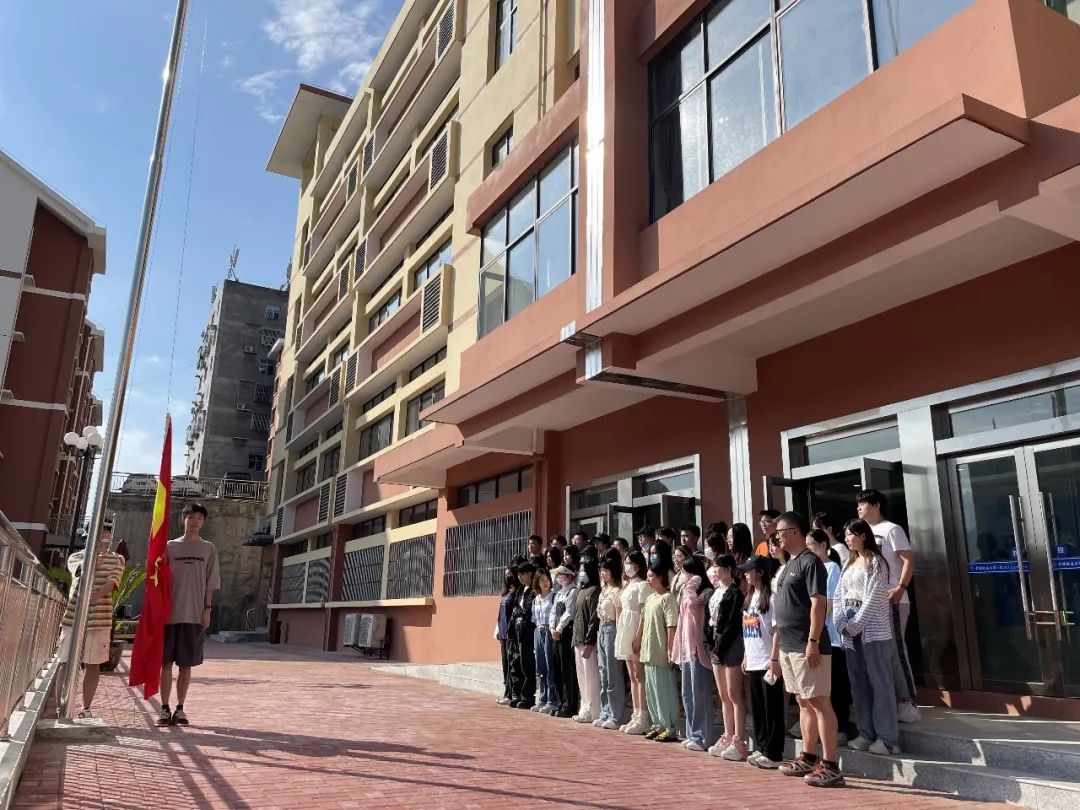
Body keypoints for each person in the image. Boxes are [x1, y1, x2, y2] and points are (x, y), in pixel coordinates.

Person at [769, 512, 843, 787]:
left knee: (820, 701)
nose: (777, 536)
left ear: (795, 531)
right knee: (803, 701)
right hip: (788, 645)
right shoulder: (790, 563)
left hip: (806, 644)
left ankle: (831, 764)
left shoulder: (811, 562)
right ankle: (808, 756)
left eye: (780, 531)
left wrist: (812, 641)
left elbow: (818, 603)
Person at [836, 519, 901, 755]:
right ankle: (866, 733)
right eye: (845, 535)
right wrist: (840, 622)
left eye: (850, 534)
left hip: (873, 632)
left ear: (863, 535)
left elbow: (874, 597)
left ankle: (887, 738)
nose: (847, 539)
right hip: (851, 631)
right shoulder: (848, 562)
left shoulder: (876, 562)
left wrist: (855, 624)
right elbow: (839, 594)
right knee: (859, 684)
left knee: (881, 684)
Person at [856, 489, 919, 723]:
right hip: (869, 601)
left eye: (862, 504)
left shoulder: (891, 529)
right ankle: (889, 700)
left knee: (895, 649)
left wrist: (901, 587)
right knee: (878, 652)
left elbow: (909, 559)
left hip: (893, 599)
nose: (858, 508)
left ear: (876, 505)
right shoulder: (862, 533)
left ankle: (907, 702)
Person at [159, 503, 220, 727]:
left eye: (199, 518)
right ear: (182, 519)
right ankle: (164, 708)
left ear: (204, 522)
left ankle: (180, 708)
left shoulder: (208, 549)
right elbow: (158, 578)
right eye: (191, 517)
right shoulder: (169, 547)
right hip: (168, 615)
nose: (195, 521)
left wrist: (207, 609)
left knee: (186, 665)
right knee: (165, 664)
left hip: (194, 615)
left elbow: (211, 583)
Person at [57, 517, 124, 719]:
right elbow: (78, 573)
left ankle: (85, 708)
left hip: (99, 620)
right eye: (98, 528)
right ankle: (61, 707)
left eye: (106, 529)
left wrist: (94, 595)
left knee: (92, 664)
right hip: (74, 617)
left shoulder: (117, 559)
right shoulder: (76, 556)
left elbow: (113, 582)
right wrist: (93, 562)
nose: (103, 533)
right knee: (65, 662)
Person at [808, 529, 851, 745]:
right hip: (814, 636)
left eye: (812, 545)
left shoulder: (831, 567)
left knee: (836, 686)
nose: (809, 549)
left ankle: (841, 728)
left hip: (830, 636)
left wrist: (816, 625)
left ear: (824, 545)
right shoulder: (810, 568)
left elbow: (830, 602)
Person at [672, 553, 714, 752]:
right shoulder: (686, 592)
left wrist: (691, 586)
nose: (684, 577)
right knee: (688, 693)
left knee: (700, 693)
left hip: (699, 647)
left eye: (687, 573)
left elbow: (696, 608)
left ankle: (702, 736)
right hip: (686, 647)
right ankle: (692, 732)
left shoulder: (705, 593)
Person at [707, 553, 746, 759]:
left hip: (730, 643)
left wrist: (719, 645)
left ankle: (739, 740)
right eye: (714, 566)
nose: (715, 570)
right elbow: (710, 619)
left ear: (729, 569)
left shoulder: (735, 593)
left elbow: (731, 624)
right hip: (716, 642)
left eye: (718, 566)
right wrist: (710, 642)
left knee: (733, 693)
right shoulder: (716, 592)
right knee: (723, 694)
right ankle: (727, 735)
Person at [638, 562, 680, 743]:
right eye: (647, 576)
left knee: (664, 691)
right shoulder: (649, 599)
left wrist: (670, 649)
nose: (648, 579)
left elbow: (671, 625)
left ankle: (670, 727)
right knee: (651, 691)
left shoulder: (668, 598)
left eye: (651, 576)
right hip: (648, 650)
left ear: (661, 577)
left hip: (661, 651)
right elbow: (643, 621)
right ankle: (657, 724)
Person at [615, 550, 651, 735]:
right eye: (626, 562)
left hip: (636, 628)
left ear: (638, 565)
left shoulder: (643, 585)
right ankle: (636, 714)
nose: (627, 566)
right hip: (626, 629)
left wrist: (638, 637)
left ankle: (643, 716)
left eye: (630, 562)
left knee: (639, 675)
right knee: (632, 676)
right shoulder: (627, 585)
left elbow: (644, 613)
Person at [594, 555, 624, 729]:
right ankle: (605, 711)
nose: (603, 573)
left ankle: (615, 714)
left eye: (606, 570)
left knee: (613, 673)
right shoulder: (604, 590)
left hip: (612, 629)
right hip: (602, 628)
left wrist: (619, 636)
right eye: (601, 570)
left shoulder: (617, 591)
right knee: (603, 672)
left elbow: (618, 616)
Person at [572, 557, 601, 723]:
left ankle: (593, 709)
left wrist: (590, 639)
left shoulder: (595, 590)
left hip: (588, 641)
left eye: (584, 570)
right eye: (580, 570)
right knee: (581, 677)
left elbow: (594, 617)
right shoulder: (581, 591)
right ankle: (584, 707)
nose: (581, 573)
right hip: (578, 640)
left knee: (591, 677)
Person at [550, 564, 579, 718]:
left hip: (566, 632)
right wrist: (552, 627)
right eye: (558, 575)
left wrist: (559, 628)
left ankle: (569, 705)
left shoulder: (573, 592)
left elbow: (569, 612)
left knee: (566, 669)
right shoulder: (559, 593)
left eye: (562, 575)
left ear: (569, 576)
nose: (559, 577)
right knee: (556, 668)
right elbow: (553, 612)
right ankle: (560, 702)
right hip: (555, 633)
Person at [509, 558, 537, 708]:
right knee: (516, 663)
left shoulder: (533, 590)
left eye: (523, 573)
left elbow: (528, 610)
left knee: (527, 665)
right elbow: (515, 611)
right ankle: (517, 694)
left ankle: (528, 697)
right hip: (517, 631)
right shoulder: (520, 590)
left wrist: (519, 612)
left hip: (528, 632)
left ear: (530, 574)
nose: (520, 576)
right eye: (519, 574)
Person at [532, 568, 557, 714]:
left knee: (549, 667)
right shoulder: (536, 599)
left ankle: (551, 700)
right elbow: (534, 619)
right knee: (540, 667)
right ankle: (541, 699)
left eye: (547, 579)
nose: (545, 583)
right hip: (538, 631)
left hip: (549, 631)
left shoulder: (554, 597)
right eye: (542, 580)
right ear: (537, 582)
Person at [495, 567, 518, 705]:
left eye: (510, 574)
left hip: (511, 634)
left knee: (511, 665)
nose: (508, 577)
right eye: (506, 575)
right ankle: (506, 692)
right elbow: (500, 614)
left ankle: (511, 694)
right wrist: (498, 629)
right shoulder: (505, 593)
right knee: (505, 664)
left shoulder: (515, 593)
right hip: (502, 633)